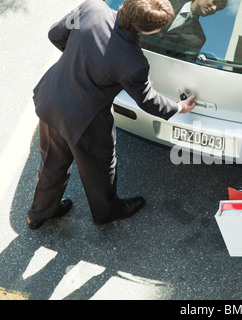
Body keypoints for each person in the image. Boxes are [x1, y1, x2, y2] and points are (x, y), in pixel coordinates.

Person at [27, 0, 196, 230]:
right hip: (87, 122)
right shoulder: (133, 61)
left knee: (52, 161)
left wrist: (81, 61)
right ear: (147, 30)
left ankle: (38, 214)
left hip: (51, 98)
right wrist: (180, 107)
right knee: (99, 168)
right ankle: (106, 212)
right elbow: (148, 101)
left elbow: (55, 34)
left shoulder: (91, 8)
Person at [140, 0, 228, 62]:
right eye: (215, 2)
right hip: (128, 52)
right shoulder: (163, 2)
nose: (214, 8)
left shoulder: (198, 38)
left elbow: (183, 67)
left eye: (218, 9)